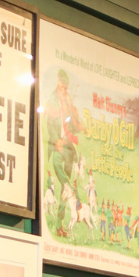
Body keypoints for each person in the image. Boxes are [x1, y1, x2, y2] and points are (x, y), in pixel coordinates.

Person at [44, 69, 82, 237]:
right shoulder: (52, 102)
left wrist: (77, 121)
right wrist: (56, 140)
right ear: (57, 85)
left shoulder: (67, 104)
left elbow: (72, 128)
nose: (63, 91)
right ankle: (71, 187)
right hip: (58, 147)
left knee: (62, 193)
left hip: (67, 148)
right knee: (59, 172)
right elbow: (50, 126)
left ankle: (59, 225)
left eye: (65, 88)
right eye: (61, 88)